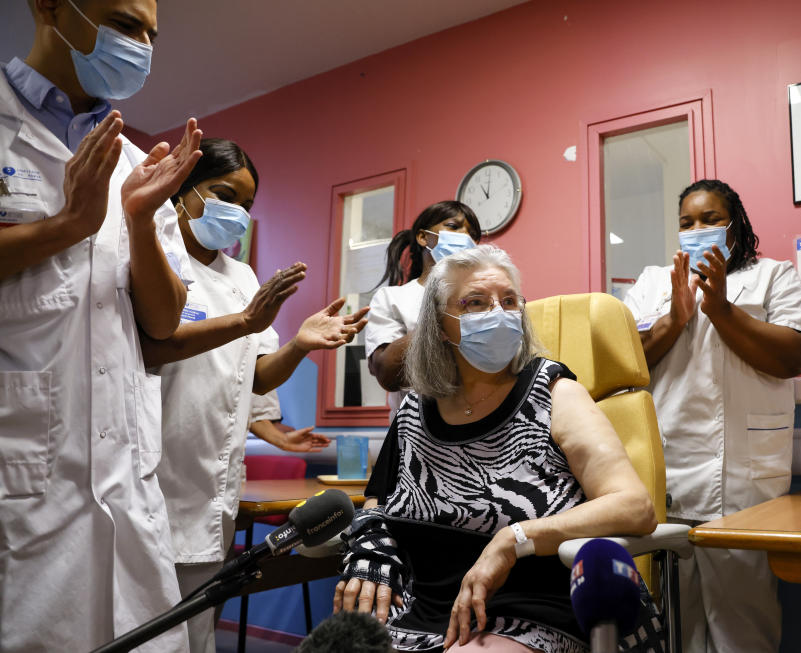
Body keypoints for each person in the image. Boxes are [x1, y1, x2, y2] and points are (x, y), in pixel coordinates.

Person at [336, 245, 664, 653]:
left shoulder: (555, 393)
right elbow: (377, 502)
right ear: (440, 326)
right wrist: (372, 554)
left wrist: (515, 539)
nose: (499, 312)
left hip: (530, 612)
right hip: (422, 610)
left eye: (509, 301)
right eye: (476, 302)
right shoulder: (416, 409)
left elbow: (634, 506)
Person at [0, 1, 203, 650]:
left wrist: (140, 222)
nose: (141, 44)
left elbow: (163, 321)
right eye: (124, 22)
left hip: (129, 485)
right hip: (23, 484)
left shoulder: (135, 165)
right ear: (50, 6)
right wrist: (65, 228)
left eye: (150, 32)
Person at [138, 138, 367, 652]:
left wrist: (302, 344)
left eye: (246, 205)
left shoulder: (242, 276)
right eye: (224, 195)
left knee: (197, 630)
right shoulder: (153, 253)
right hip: (148, 469)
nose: (237, 214)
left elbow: (259, 376)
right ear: (184, 191)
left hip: (210, 481)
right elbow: (150, 346)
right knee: (142, 628)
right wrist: (243, 322)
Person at [622, 179, 801, 653]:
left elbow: (794, 356)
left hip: (743, 480)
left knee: (744, 624)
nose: (697, 230)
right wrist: (676, 317)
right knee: (676, 622)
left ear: (736, 226)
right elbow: (627, 362)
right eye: (687, 222)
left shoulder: (774, 276)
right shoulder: (653, 283)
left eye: (711, 219)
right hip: (667, 475)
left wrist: (721, 309)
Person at [365, 201, 481, 417]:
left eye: (473, 235)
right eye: (454, 227)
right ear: (423, 237)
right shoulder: (393, 298)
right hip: (415, 433)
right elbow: (386, 373)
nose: (466, 237)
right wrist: (441, 322)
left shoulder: (485, 296)